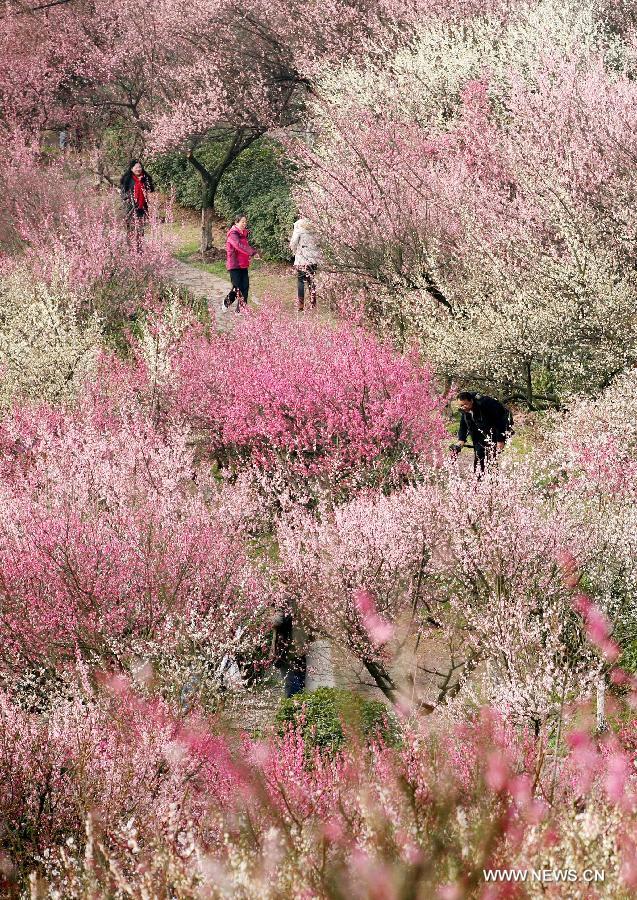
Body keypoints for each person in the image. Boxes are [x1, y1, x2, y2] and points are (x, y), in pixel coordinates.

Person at [451, 391, 513, 474]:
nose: (463, 407)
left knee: (491, 456)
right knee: (479, 455)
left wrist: (500, 440)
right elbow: (463, 424)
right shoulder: (465, 409)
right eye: (460, 405)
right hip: (479, 431)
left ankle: (493, 479)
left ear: (471, 401)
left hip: (496, 428)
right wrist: (461, 439)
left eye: (464, 404)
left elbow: (499, 421)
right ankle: (479, 480)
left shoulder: (485, 404)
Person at [223, 214, 259, 312]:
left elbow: (245, 248)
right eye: (242, 221)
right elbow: (238, 246)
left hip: (243, 264)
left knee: (245, 287)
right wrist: (252, 252)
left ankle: (241, 310)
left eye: (245, 222)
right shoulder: (233, 234)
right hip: (234, 265)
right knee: (237, 288)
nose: (244, 223)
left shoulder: (244, 234)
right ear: (236, 222)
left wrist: (251, 254)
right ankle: (226, 303)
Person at [272, 610, 307, 698]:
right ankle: (296, 706)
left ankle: (295, 706)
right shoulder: (297, 614)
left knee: (294, 682)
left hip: (292, 652)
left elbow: (276, 623)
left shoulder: (298, 614)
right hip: (288, 653)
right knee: (295, 682)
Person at [289, 217, 322, 311]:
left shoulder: (298, 224)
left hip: (302, 257)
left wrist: (294, 250)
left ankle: (300, 305)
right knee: (311, 280)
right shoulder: (316, 223)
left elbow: (294, 242)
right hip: (314, 257)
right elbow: (320, 241)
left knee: (301, 280)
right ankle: (313, 303)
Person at [120, 160, 154, 248]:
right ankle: (131, 250)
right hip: (130, 208)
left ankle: (140, 250)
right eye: (136, 167)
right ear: (132, 169)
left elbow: (151, 190)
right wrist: (128, 199)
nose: (138, 169)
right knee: (131, 230)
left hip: (142, 208)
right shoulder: (127, 179)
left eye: (140, 167)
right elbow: (123, 193)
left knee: (140, 229)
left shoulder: (145, 178)